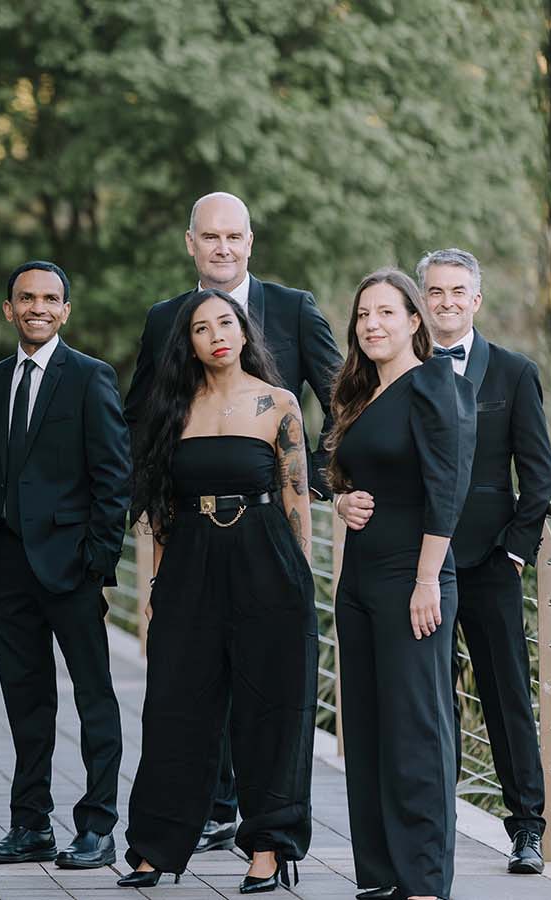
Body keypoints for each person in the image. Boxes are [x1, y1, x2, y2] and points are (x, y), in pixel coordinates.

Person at [123, 191, 341, 852]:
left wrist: (334, 484)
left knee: (266, 684)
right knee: (185, 685)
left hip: (266, 524)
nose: (222, 247)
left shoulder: (295, 310)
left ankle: (260, 831)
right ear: (191, 243)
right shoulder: (166, 319)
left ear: (250, 241)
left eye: (234, 236)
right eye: (210, 237)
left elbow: (341, 401)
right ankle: (195, 820)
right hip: (189, 529)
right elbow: (140, 426)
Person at [0, 262, 129, 871]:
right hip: (6, 569)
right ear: (9, 309)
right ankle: (30, 825)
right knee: (26, 703)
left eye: (50, 298)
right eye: (26, 297)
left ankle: (98, 826)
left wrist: (97, 561)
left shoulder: (90, 378)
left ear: (65, 310)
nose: (38, 306)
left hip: (72, 569)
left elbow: (115, 478)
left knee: (94, 698)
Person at [396, 249, 550, 873]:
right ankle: (439, 827)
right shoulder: (401, 372)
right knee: (429, 698)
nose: (446, 301)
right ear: (421, 302)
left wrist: (515, 553)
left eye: (458, 291)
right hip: (417, 562)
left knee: (506, 693)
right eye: (434, 292)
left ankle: (528, 829)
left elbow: (538, 478)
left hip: (490, 563)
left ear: (476, 300)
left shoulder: (514, 373)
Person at [327, 269, 474, 900]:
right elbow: (342, 469)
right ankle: (380, 874)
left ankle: (422, 879)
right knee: (364, 725)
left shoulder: (436, 384)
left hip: (412, 576)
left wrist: (426, 581)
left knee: (416, 727)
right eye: (363, 315)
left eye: (385, 312)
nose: (371, 325)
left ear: (415, 320)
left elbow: (449, 488)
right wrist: (341, 501)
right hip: (359, 576)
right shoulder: (362, 394)